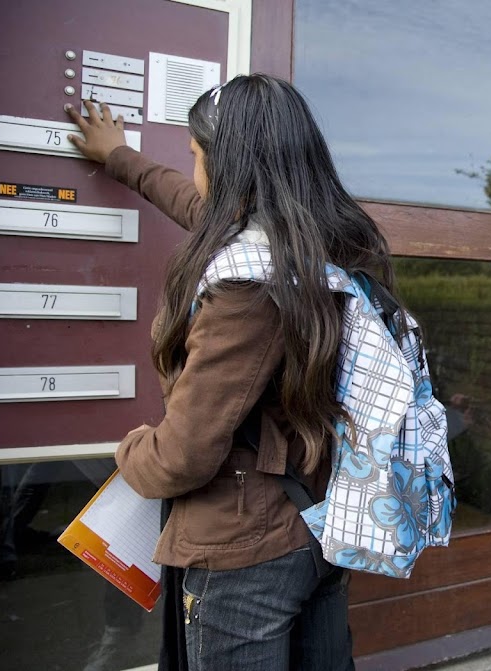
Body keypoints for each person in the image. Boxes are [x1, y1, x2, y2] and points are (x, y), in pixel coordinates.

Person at [65, 74, 399, 669]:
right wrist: (119, 158)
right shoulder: (319, 247)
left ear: (231, 168)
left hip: (245, 547)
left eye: (196, 156)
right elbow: (196, 206)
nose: (192, 171)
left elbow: (181, 456)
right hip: (318, 520)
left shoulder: (247, 287)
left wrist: (130, 451)